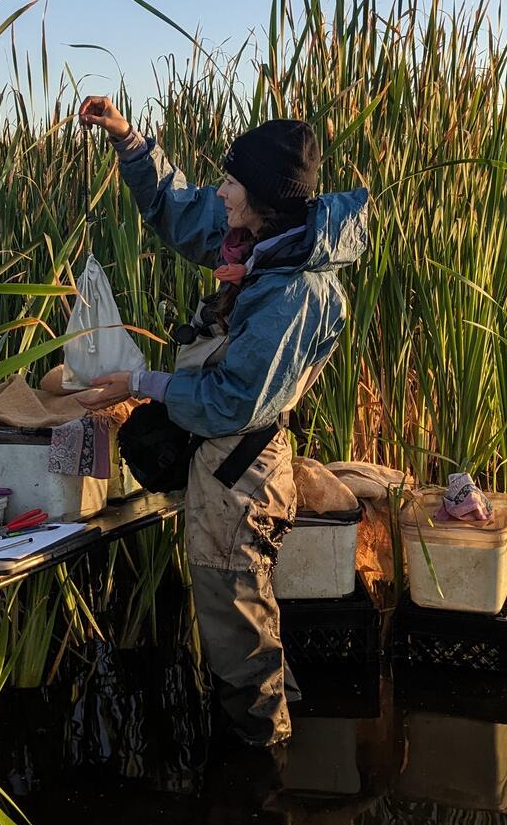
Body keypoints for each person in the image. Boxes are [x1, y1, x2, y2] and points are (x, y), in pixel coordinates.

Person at [76, 95, 369, 746]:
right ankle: (274, 756)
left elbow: (233, 401)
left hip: (243, 479)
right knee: (246, 634)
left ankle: (261, 799)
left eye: (231, 180)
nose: (221, 190)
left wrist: (140, 383)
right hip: (228, 472)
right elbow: (177, 209)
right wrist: (127, 140)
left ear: (262, 194)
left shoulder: (295, 292)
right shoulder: (263, 239)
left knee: (242, 646)